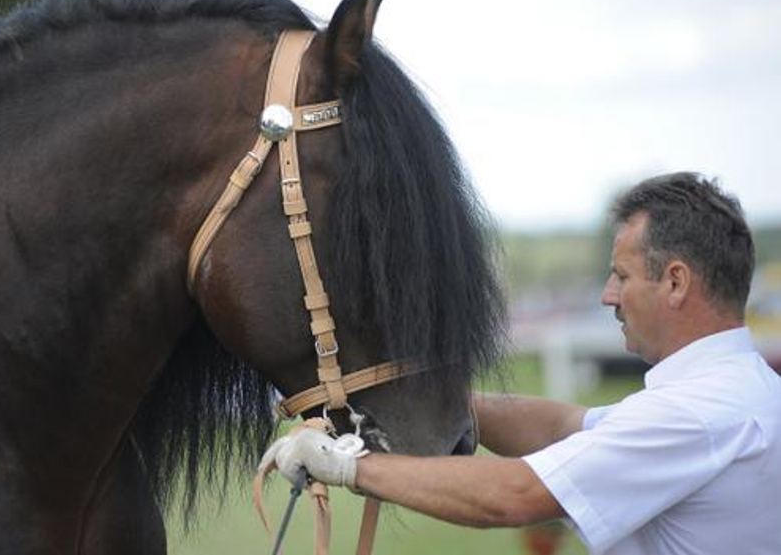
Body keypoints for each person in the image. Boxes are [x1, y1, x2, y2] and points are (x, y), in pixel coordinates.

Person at [263, 172, 781, 554]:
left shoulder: (694, 414)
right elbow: (562, 427)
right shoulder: (737, 390)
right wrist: (415, 400)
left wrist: (349, 465)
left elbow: (517, 496)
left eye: (622, 276)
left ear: (675, 282)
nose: (608, 296)